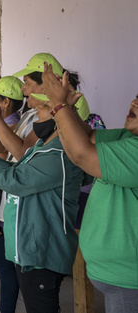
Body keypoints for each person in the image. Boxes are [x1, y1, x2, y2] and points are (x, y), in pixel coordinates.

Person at [0, 96, 85, 313]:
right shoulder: (44, 147)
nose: (37, 111)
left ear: (58, 117)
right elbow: (14, 170)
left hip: (42, 252)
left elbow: (14, 180)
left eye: (44, 107)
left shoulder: (57, 153)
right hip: (31, 249)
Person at [41, 63, 138, 313]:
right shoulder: (127, 138)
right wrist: (67, 108)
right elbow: (84, 139)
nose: (135, 103)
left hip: (129, 279)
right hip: (116, 276)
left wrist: (59, 105)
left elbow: (82, 154)